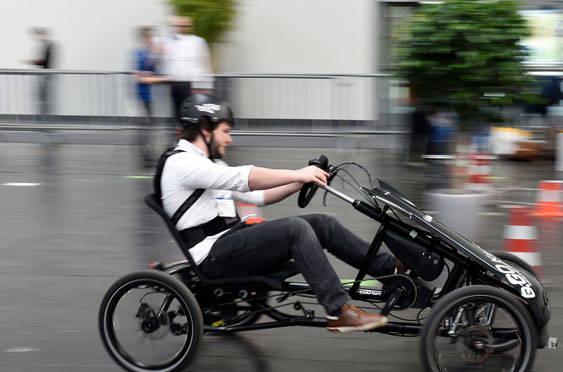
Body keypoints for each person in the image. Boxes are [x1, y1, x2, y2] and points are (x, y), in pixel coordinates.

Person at [159, 93, 407, 332]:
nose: (229, 139)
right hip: (210, 255)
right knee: (295, 230)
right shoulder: (181, 163)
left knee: (321, 223)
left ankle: (388, 269)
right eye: (225, 131)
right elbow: (242, 179)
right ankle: (338, 310)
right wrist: (299, 173)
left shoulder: (209, 164)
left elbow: (256, 196)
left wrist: (301, 182)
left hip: (230, 240)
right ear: (205, 128)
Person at [160, 15, 214, 126]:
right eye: (178, 25)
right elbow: (166, 63)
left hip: (193, 85)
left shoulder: (198, 42)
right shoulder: (170, 43)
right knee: (180, 116)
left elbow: (205, 65)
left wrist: (206, 86)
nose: (181, 28)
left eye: (184, 25)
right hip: (177, 84)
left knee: (194, 115)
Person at [132, 26, 169, 165]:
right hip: (145, 93)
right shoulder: (141, 53)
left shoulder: (148, 53)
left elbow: (152, 72)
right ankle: (143, 150)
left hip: (149, 94)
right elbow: (141, 77)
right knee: (146, 123)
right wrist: (163, 79)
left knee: (147, 122)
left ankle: (144, 148)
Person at [28, 27, 55, 117]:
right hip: (46, 76)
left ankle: (45, 117)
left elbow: (43, 62)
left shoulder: (47, 46)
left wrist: (31, 62)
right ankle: (45, 116)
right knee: (44, 98)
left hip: (46, 76)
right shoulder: (49, 45)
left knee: (44, 98)